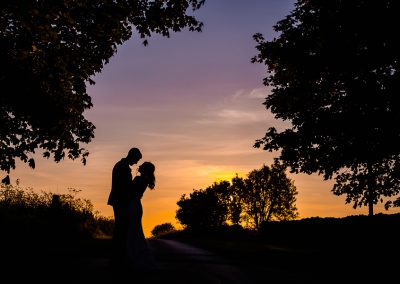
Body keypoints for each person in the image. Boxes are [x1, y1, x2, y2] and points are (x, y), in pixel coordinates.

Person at [107, 147, 142, 270]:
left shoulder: (122, 166)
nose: (137, 162)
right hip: (120, 201)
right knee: (121, 228)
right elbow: (122, 186)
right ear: (132, 156)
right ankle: (117, 258)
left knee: (122, 228)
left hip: (121, 200)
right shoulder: (122, 167)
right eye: (137, 159)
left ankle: (119, 256)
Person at [126, 161, 157, 272]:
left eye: (142, 166)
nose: (139, 166)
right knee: (136, 232)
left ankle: (135, 259)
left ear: (144, 169)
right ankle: (137, 258)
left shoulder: (139, 179)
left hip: (133, 204)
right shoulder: (144, 179)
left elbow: (129, 190)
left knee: (133, 232)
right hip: (136, 205)